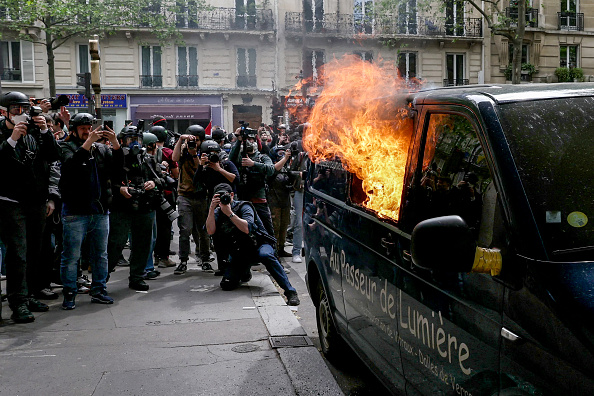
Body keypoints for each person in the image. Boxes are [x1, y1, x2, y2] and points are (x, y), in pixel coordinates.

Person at [0, 91, 61, 322]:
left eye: (25, 109)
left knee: (35, 250)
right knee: (18, 253)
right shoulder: (4, 132)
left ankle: (30, 294)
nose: (21, 114)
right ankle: (18, 304)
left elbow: (54, 157)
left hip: (36, 201)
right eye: (16, 109)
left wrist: (45, 130)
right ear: (5, 111)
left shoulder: (34, 132)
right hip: (9, 202)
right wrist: (12, 138)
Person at [59, 113, 123, 309]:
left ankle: (99, 290)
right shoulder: (65, 146)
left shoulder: (102, 148)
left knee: (100, 255)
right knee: (71, 255)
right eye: (83, 128)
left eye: (90, 127)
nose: (88, 131)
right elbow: (70, 168)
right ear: (74, 130)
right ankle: (69, 293)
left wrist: (115, 144)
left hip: (100, 210)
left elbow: (118, 170)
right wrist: (87, 144)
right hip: (75, 211)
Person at [206, 183, 300, 306]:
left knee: (265, 255)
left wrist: (230, 213)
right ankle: (244, 272)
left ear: (232, 195)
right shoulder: (218, 211)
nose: (224, 199)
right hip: (240, 251)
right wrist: (211, 209)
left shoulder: (244, 206)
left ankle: (290, 292)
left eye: (226, 195)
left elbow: (246, 228)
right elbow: (210, 230)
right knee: (227, 285)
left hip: (259, 244)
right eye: (219, 196)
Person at [107, 126, 165, 291]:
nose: (134, 144)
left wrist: (153, 183)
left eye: (137, 140)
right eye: (130, 140)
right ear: (123, 141)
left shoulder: (148, 159)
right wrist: (120, 189)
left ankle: (137, 277)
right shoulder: (116, 157)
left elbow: (161, 178)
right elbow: (107, 180)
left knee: (142, 244)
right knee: (115, 244)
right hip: (122, 208)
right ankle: (102, 278)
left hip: (144, 207)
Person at [194, 139, 240, 276]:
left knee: (233, 232)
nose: (213, 157)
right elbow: (196, 184)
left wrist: (219, 169)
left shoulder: (226, 164)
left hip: (230, 201)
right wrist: (201, 167)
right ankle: (222, 265)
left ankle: (234, 264)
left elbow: (236, 179)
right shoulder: (205, 168)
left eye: (215, 153)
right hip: (213, 201)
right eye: (209, 154)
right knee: (217, 234)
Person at [172, 125, 212, 275]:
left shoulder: (205, 150)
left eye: (196, 140)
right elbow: (174, 159)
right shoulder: (183, 149)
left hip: (201, 196)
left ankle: (205, 259)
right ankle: (183, 261)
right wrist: (180, 140)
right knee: (185, 229)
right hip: (184, 195)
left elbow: (200, 169)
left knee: (203, 231)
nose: (193, 143)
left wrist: (194, 153)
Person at [229, 126, 275, 237]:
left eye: (251, 139)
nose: (249, 142)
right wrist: (239, 139)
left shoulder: (262, 157)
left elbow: (271, 170)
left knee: (267, 231)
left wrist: (253, 164)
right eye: (247, 140)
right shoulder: (239, 157)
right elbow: (230, 161)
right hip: (243, 200)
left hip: (259, 200)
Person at [148, 125, 179, 269]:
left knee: (151, 227)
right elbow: (176, 174)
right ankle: (163, 257)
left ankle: (152, 257)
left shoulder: (143, 152)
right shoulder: (168, 152)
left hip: (148, 194)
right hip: (165, 194)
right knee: (165, 226)